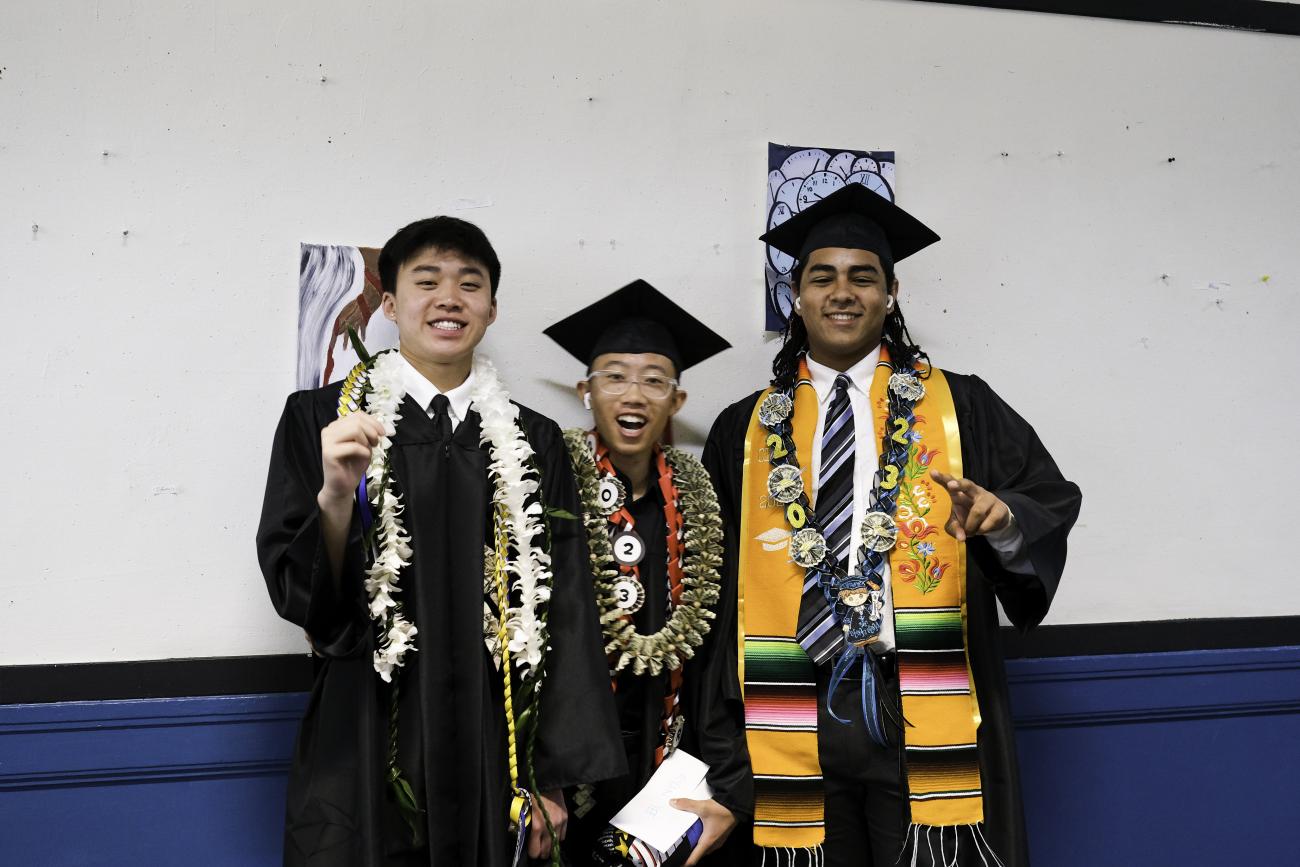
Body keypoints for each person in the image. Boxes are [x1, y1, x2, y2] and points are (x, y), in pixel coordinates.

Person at [702, 184, 1081, 867]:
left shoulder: (961, 405)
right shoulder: (745, 429)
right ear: (797, 293)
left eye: (862, 276)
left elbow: (1048, 497)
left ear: (892, 292)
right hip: (793, 706)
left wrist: (1001, 520)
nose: (842, 292)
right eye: (823, 276)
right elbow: (720, 587)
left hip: (921, 698)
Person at [257, 216, 624, 867]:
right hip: (364, 731)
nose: (448, 297)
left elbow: (563, 608)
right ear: (392, 305)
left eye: (469, 283)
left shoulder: (534, 442)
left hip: (495, 741)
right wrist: (336, 498)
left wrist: (551, 776)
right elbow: (307, 602)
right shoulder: (321, 421)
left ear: (490, 308)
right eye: (427, 281)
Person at [543, 280, 752, 866]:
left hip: (669, 758)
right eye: (614, 375)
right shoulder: (549, 489)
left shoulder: (700, 505)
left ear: (675, 401)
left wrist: (726, 780)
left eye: (654, 379)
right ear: (587, 391)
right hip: (569, 765)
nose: (634, 393)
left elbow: (715, 650)